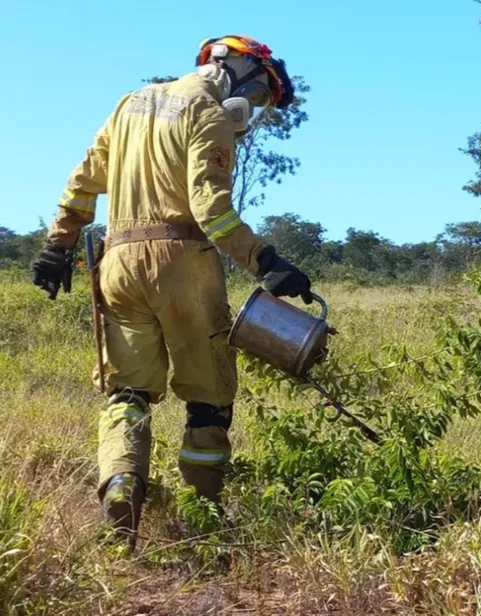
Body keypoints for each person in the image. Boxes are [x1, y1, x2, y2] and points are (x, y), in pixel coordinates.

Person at [29, 35, 313, 546]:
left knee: (127, 392)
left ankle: (121, 484)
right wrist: (265, 261)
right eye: (262, 95)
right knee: (207, 397)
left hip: (117, 263)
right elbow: (212, 210)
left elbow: (81, 182)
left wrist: (57, 247)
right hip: (183, 263)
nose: (257, 108)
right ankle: (201, 519)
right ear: (238, 69)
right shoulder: (210, 113)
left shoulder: (130, 103)